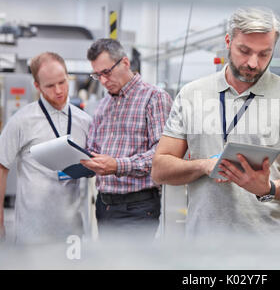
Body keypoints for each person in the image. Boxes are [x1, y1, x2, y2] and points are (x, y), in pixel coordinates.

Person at [151, 7, 280, 238]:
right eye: (244, 50)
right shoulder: (192, 94)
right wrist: (203, 166)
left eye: (264, 54)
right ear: (228, 41)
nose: (253, 63)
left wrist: (268, 188)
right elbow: (159, 169)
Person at [80, 39, 172, 238]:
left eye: (106, 72)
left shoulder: (154, 98)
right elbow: (93, 148)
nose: (103, 81)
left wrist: (118, 165)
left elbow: (162, 154)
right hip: (104, 206)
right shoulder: (104, 104)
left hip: (137, 207)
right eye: (97, 75)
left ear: (125, 63)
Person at [0, 52, 92, 244]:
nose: (59, 90)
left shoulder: (84, 121)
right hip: (32, 231)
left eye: (62, 82)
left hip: (72, 230)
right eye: (50, 85)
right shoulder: (21, 121)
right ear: (37, 86)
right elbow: (1, 168)